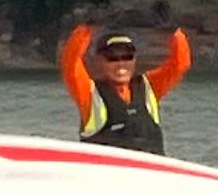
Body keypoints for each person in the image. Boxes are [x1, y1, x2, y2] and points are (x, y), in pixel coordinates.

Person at [60, 23, 191, 153]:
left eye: (127, 57)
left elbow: (180, 64)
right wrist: (86, 27)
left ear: (134, 60)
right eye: (112, 58)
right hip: (106, 172)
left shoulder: (148, 86)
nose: (121, 64)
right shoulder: (90, 93)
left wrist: (174, 30)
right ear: (99, 61)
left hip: (151, 172)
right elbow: (71, 66)